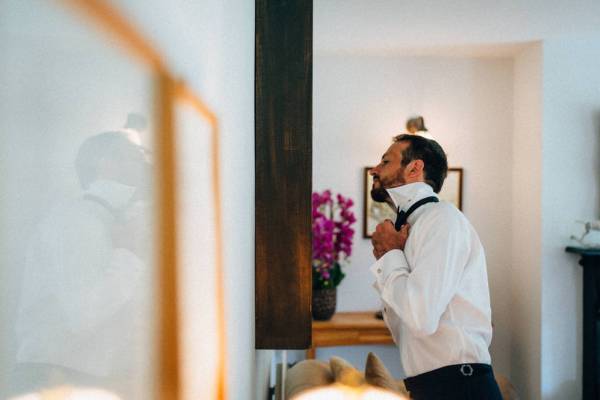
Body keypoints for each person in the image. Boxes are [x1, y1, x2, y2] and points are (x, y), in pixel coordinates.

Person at [13, 131, 153, 397]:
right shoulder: (75, 221)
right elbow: (85, 313)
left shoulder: (122, 220)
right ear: (105, 163)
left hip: (95, 380)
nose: (146, 165)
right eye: (136, 157)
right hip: (56, 380)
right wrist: (130, 253)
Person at [368, 134, 502, 400]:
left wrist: (391, 254)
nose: (374, 169)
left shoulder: (443, 221)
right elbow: (404, 327)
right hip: (430, 387)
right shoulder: (412, 228)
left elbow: (420, 318)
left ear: (414, 168)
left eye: (385, 161)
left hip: (460, 388)